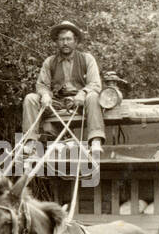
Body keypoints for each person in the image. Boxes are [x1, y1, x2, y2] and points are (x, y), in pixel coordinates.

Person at [21, 20, 105, 158]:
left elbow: (95, 84)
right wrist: (45, 95)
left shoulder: (87, 59)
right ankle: (30, 142)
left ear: (75, 41)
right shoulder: (50, 62)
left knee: (93, 96)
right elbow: (42, 84)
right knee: (31, 98)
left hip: (79, 103)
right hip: (57, 103)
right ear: (57, 42)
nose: (65, 43)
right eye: (61, 39)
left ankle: (95, 141)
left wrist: (83, 93)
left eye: (68, 39)